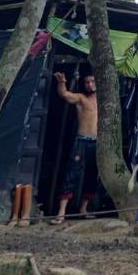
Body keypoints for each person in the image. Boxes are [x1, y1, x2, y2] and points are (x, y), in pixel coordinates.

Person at [52, 70, 99, 224]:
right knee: (71, 174)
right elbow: (64, 94)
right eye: (87, 82)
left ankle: (84, 208)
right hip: (82, 140)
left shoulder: (104, 101)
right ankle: (61, 212)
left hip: (96, 142)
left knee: (92, 176)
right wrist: (62, 82)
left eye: (92, 81)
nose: (90, 84)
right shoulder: (81, 98)